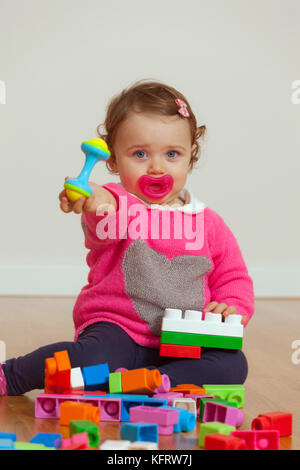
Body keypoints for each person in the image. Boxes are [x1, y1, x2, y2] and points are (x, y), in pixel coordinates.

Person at [0, 80, 254, 396]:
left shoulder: (209, 223)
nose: (157, 167)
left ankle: (150, 381)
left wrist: (231, 306)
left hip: (184, 343)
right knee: (90, 358)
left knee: (233, 365)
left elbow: (233, 277)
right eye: (140, 154)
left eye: (172, 153)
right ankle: (12, 374)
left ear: (191, 156)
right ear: (114, 161)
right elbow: (106, 210)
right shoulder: (121, 204)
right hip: (117, 332)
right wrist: (96, 202)